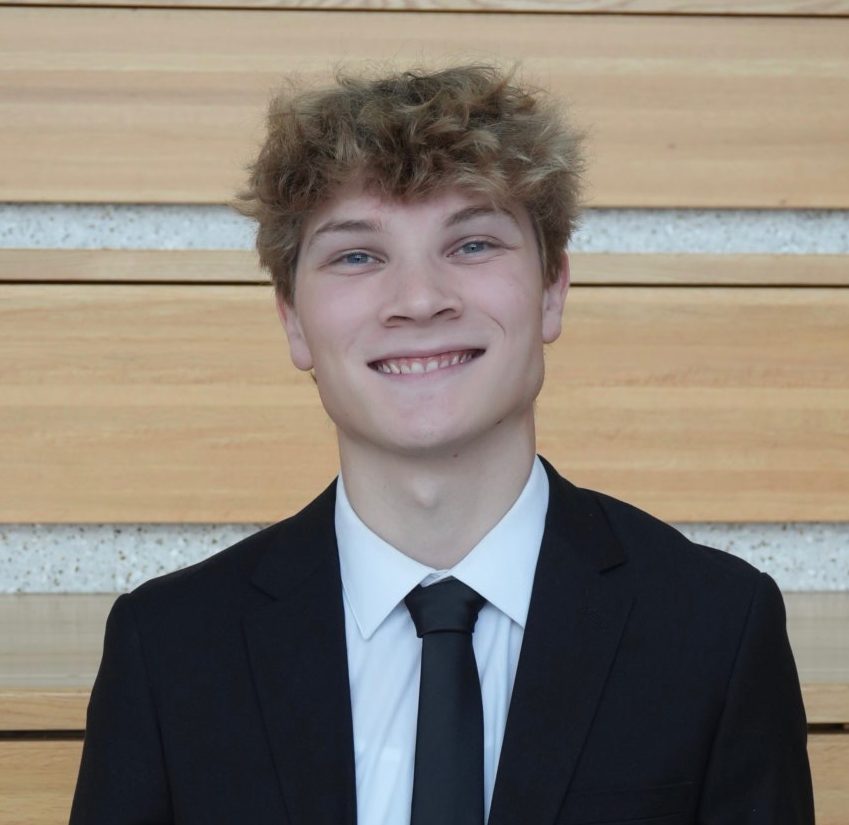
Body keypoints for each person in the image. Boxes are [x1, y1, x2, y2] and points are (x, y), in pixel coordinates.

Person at [70, 65, 814, 825]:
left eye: (473, 244)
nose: (419, 300)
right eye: (357, 255)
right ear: (292, 318)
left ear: (552, 288)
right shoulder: (167, 648)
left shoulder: (717, 629)